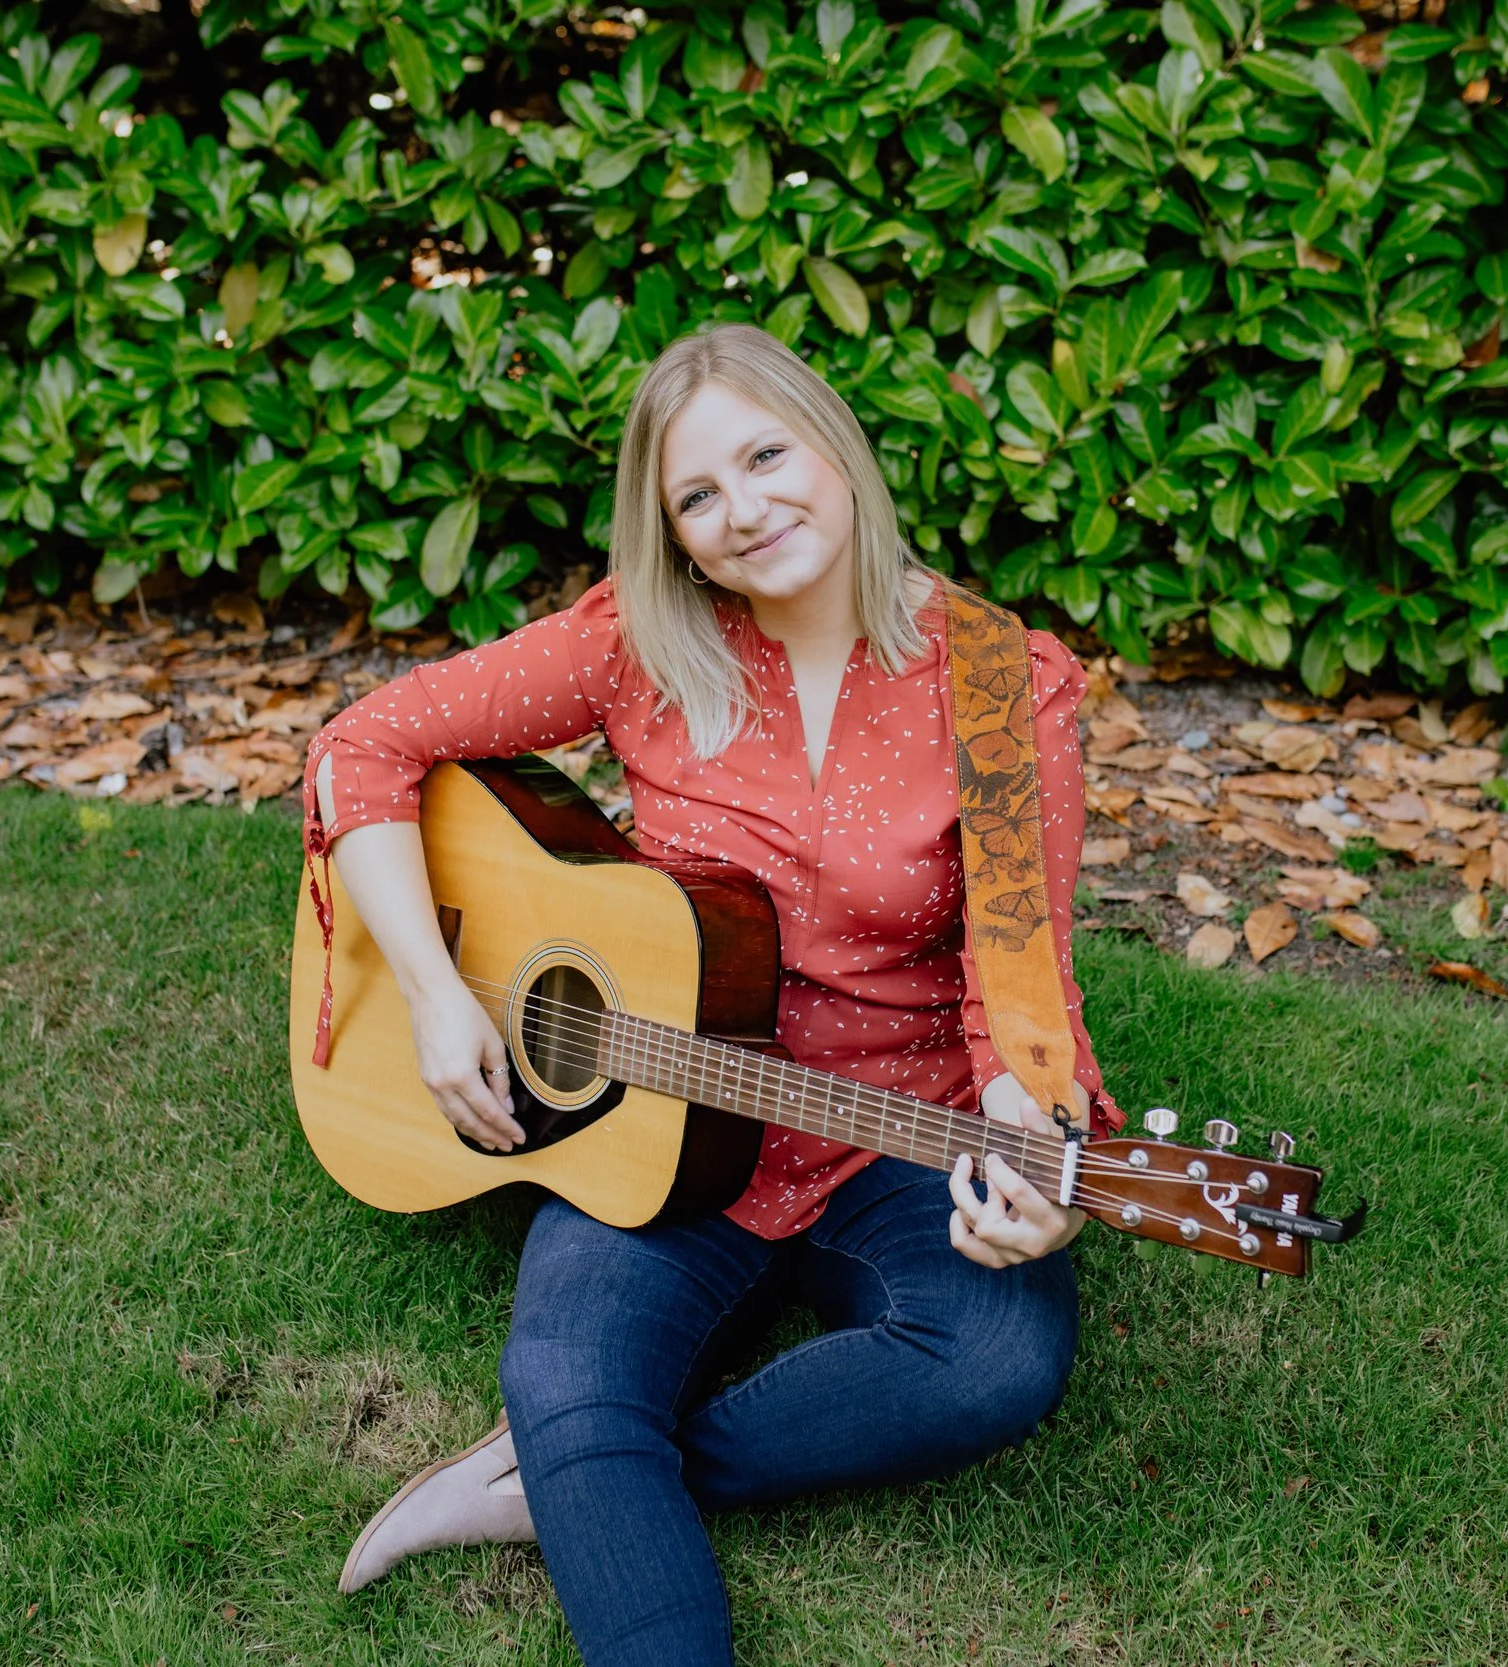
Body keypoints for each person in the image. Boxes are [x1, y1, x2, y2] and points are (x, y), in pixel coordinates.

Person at [302, 323, 1120, 1665]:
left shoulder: (998, 684)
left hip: (896, 1124)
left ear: (836, 444)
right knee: (570, 1368)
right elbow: (365, 748)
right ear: (671, 532)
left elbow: (1018, 968)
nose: (744, 509)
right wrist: (440, 991)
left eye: (766, 454)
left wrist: (1039, 1139)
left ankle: (573, 1472)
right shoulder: (640, 641)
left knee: (992, 1361)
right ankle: (579, 1441)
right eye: (697, 495)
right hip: (659, 1107)